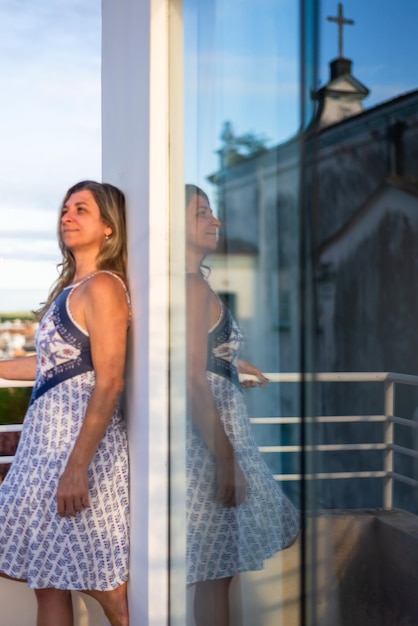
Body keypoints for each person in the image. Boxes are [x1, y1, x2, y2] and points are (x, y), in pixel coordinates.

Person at [0, 180, 130, 626]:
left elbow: (110, 380)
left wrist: (77, 468)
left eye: (81, 210)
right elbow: (51, 366)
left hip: (77, 452)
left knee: (110, 591)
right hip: (44, 450)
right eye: (64, 209)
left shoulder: (104, 287)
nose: (67, 216)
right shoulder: (71, 289)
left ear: (109, 228)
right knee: (47, 580)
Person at [185, 184, 299, 626]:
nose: (216, 222)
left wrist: (230, 363)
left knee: (220, 569)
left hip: (214, 435)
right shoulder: (192, 287)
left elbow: (199, 361)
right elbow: (191, 376)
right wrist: (227, 461)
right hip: (213, 444)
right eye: (201, 213)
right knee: (217, 569)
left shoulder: (195, 285)